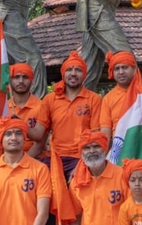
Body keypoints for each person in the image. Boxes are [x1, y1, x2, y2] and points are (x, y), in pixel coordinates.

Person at [44, 51, 103, 180]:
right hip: (54, 157)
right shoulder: (50, 99)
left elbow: (95, 136)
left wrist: (82, 164)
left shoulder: (94, 99)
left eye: (78, 70)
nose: (73, 73)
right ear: (63, 73)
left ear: (84, 75)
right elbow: (40, 134)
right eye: (69, 69)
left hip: (81, 157)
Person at [99, 50, 142, 166]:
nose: (121, 72)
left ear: (134, 69)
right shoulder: (108, 98)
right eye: (117, 69)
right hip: (121, 151)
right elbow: (105, 132)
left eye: (125, 67)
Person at [7, 63, 50, 156]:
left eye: (25, 77)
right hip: (9, 159)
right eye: (17, 77)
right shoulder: (4, 108)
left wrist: (23, 162)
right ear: (10, 81)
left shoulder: (42, 106)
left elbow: (40, 145)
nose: (21, 81)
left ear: (31, 81)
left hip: (37, 160)